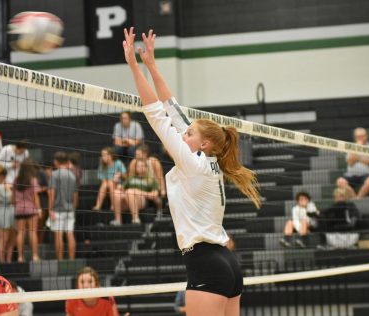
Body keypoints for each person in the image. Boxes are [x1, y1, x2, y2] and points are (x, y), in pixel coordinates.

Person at [123, 28, 261, 315]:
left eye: (188, 133)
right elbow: (172, 108)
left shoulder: (192, 161)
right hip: (227, 263)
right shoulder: (210, 162)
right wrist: (151, 65)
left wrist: (134, 67)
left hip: (206, 265)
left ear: (204, 143)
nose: (182, 134)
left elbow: (156, 115)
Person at [112, 159, 161, 225]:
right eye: (138, 166)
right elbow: (121, 189)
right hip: (127, 200)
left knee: (130, 192)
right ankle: (118, 220)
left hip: (141, 200)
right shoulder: (131, 178)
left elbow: (154, 195)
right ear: (135, 168)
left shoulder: (151, 180)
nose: (140, 167)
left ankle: (135, 219)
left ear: (146, 168)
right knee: (116, 193)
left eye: (142, 166)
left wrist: (137, 192)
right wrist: (115, 183)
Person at [49, 151, 77, 261]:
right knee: (70, 234)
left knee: (59, 235)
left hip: (58, 209)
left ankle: (60, 260)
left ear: (56, 161)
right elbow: (75, 194)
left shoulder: (54, 175)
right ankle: (71, 259)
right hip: (70, 209)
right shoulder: (72, 175)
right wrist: (73, 207)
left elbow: (51, 193)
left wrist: (50, 209)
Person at [336, 128, 369, 199]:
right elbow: (350, 162)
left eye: (362, 136)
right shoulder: (351, 148)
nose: (360, 138)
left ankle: (359, 198)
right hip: (351, 175)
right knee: (340, 181)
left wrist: (359, 158)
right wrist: (357, 148)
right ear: (355, 138)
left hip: (367, 175)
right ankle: (354, 198)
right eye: (358, 137)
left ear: (366, 136)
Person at [14, 159, 41, 262]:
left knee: (20, 233)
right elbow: (35, 197)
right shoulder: (33, 180)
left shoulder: (16, 180)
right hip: (31, 209)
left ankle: (20, 257)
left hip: (19, 209)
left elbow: (13, 198)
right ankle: (34, 256)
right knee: (32, 232)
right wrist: (39, 209)